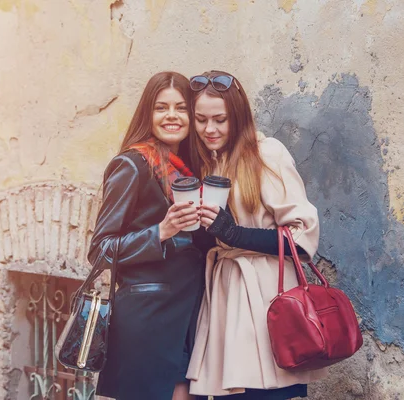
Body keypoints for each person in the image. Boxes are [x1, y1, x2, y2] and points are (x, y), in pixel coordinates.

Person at [186, 71, 328, 399]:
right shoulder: (210, 162)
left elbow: (304, 239)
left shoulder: (268, 154)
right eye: (201, 119)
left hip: (266, 298)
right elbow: (216, 238)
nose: (210, 129)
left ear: (237, 116)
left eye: (220, 120)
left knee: (264, 393)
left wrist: (233, 234)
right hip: (223, 297)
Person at [88, 71, 211, 400]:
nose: (172, 116)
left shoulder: (191, 170)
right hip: (149, 321)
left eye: (181, 108)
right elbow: (100, 251)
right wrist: (161, 232)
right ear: (148, 113)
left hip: (188, 318)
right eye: (161, 108)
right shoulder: (132, 165)